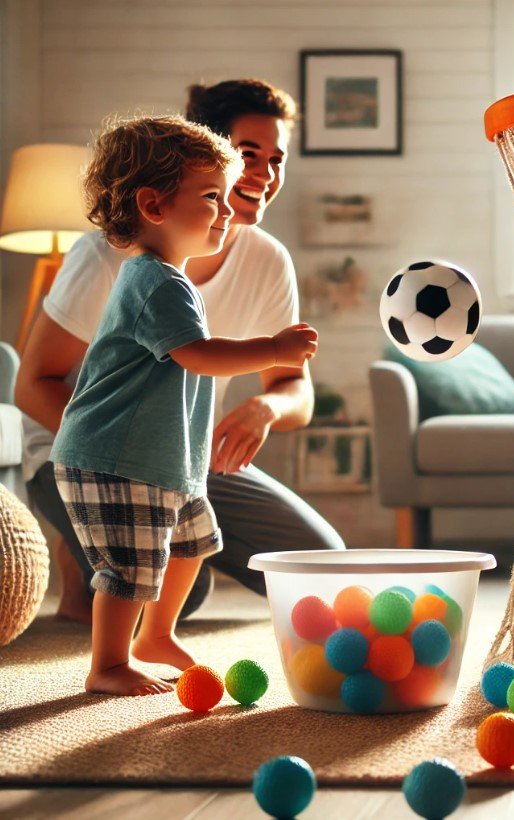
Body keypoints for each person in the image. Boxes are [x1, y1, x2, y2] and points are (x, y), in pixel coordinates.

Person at [15, 80, 345, 625]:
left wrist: (266, 407)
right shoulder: (111, 256)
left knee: (322, 566)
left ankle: (144, 553)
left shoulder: (266, 259)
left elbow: (294, 388)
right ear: (204, 151)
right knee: (166, 594)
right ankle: (81, 564)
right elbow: (32, 384)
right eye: (249, 155)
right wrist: (122, 457)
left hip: (184, 453)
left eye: (277, 159)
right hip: (85, 452)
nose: (265, 174)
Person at [52, 115, 319, 696]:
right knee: (128, 568)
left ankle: (155, 636)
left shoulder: (174, 280)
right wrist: (272, 349)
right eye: (211, 198)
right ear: (153, 205)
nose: (227, 212)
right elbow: (198, 354)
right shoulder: (154, 281)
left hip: (163, 461)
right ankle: (108, 664)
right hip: (114, 457)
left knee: (195, 542)